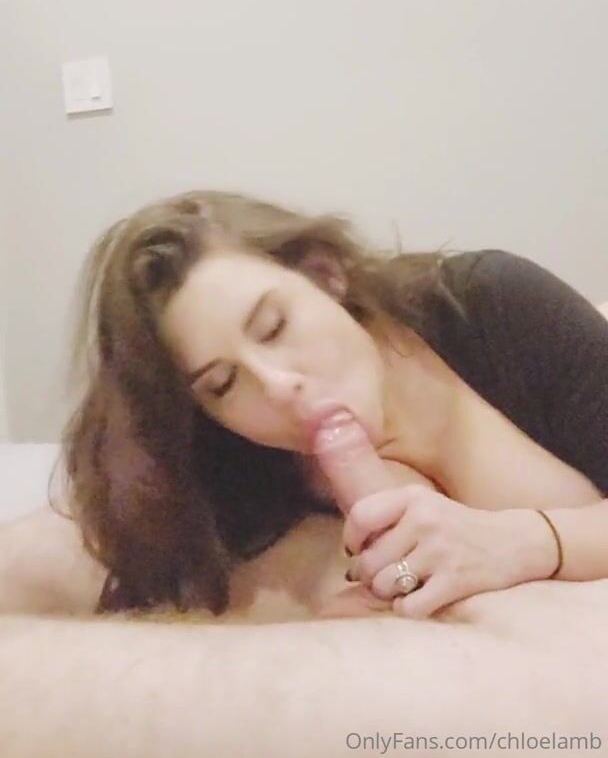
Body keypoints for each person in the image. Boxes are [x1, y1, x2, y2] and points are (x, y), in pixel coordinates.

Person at [48, 187, 608, 622]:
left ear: (325, 275)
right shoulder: (255, 486)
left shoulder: (491, 306)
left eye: (274, 326)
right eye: (223, 384)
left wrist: (528, 543)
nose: (277, 386)